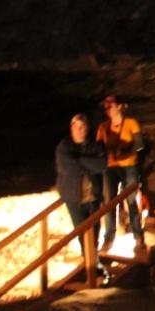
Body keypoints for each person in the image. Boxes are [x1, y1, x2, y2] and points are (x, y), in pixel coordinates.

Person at [96, 96, 146, 252]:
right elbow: (98, 148)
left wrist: (125, 151)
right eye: (105, 106)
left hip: (129, 166)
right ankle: (109, 239)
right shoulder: (103, 127)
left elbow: (139, 144)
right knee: (108, 203)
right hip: (110, 168)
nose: (108, 109)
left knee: (131, 201)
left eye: (110, 105)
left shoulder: (131, 123)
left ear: (119, 107)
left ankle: (138, 237)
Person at [55, 114, 108, 259]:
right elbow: (68, 168)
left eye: (82, 126)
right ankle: (89, 264)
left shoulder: (96, 146)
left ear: (87, 128)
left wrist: (78, 160)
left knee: (94, 232)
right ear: (71, 128)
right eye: (76, 127)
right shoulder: (64, 146)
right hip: (74, 199)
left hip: (93, 198)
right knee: (81, 233)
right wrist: (89, 164)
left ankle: (93, 261)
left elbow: (102, 165)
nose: (79, 130)